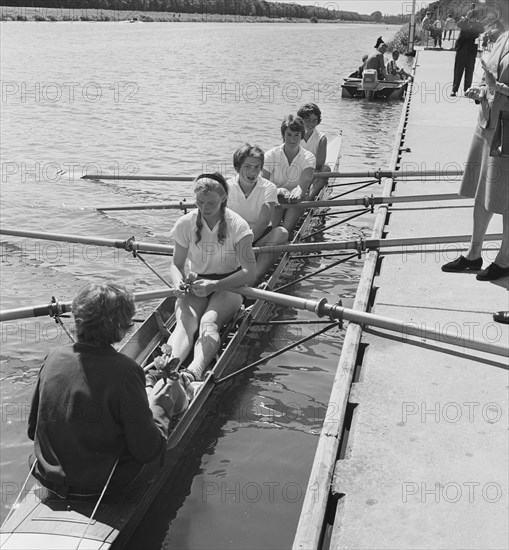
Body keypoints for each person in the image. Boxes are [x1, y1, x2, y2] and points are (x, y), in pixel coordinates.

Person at [27, 283, 176, 499]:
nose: (131, 326)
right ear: (117, 327)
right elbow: (148, 450)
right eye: (129, 322)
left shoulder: (53, 358)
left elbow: (33, 431)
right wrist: (161, 409)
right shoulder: (126, 371)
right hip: (103, 487)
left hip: (47, 477)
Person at [158, 173, 257, 386]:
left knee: (208, 322)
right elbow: (176, 265)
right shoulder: (185, 223)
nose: (205, 207)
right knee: (185, 323)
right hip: (195, 283)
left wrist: (216, 285)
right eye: (200, 202)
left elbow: (250, 272)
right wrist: (178, 283)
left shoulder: (238, 225)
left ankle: (194, 372)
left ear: (223, 199)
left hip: (230, 284)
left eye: (211, 202)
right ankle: (166, 370)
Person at [442, 5, 508, 283]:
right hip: (487, 123)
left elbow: (499, 83)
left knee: (505, 197)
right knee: (483, 193)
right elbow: (488, 73)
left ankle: (505, 260)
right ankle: (473, 255)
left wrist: (498, 88)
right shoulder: (503, 36)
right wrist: (481, 89)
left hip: (507, 130)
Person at [226, 143, 288, 282]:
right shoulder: (227, 187)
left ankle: (253, 278)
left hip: (259, 237)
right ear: (237, 167)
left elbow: (264, 222)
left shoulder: (269, 188)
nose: (253, 172)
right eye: (247, 167)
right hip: (233, 239)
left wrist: (243, 246)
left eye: (257, 167)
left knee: (282, 233)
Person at [262, 115, 316, 233]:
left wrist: (297, 193)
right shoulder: (271, 155)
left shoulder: (309, 158)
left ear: (302, 136)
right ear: (283, 136)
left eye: (297, 135)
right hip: (275, 197)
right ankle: (271, 234)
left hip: (295, 200)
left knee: (295, 205)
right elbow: (262, 183)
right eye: (289, 135)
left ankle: (283, 233)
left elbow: (303, 185)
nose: (292, 139)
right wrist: (279, 191)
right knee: (276, 201)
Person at [297, 103, 331, 199]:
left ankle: (309, 199)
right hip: (295, 171)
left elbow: (319, 164)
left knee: (326, 169)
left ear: (318, 121)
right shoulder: (293, 135)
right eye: (307, 120)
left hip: (312, 172)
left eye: (314, 120)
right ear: (301, 120)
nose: (311, 123)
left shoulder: (321, 139)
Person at [451, 10, 485, 96]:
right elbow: (458, 24)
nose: (473, 19)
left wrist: (476, 23)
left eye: (474, 17)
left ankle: (467, 90)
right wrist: (466, 18)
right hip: (461, 50)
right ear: (469, 16)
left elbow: (482, 30)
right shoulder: (464, 22)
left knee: (469, 71)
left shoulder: (477, 25)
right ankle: (454, 90)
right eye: (471, 17)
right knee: (458, 71)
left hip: (471, 51)